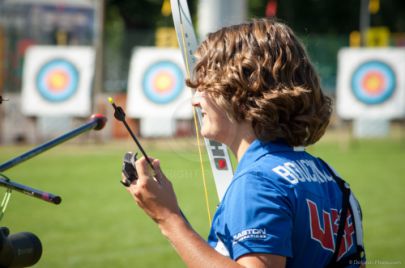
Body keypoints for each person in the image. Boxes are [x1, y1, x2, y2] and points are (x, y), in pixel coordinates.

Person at [123, 18, 366, 267]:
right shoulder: (327, 175)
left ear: (241, 92)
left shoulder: (259, 181)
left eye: (206, 86)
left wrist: (169, 219)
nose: (195, 100)